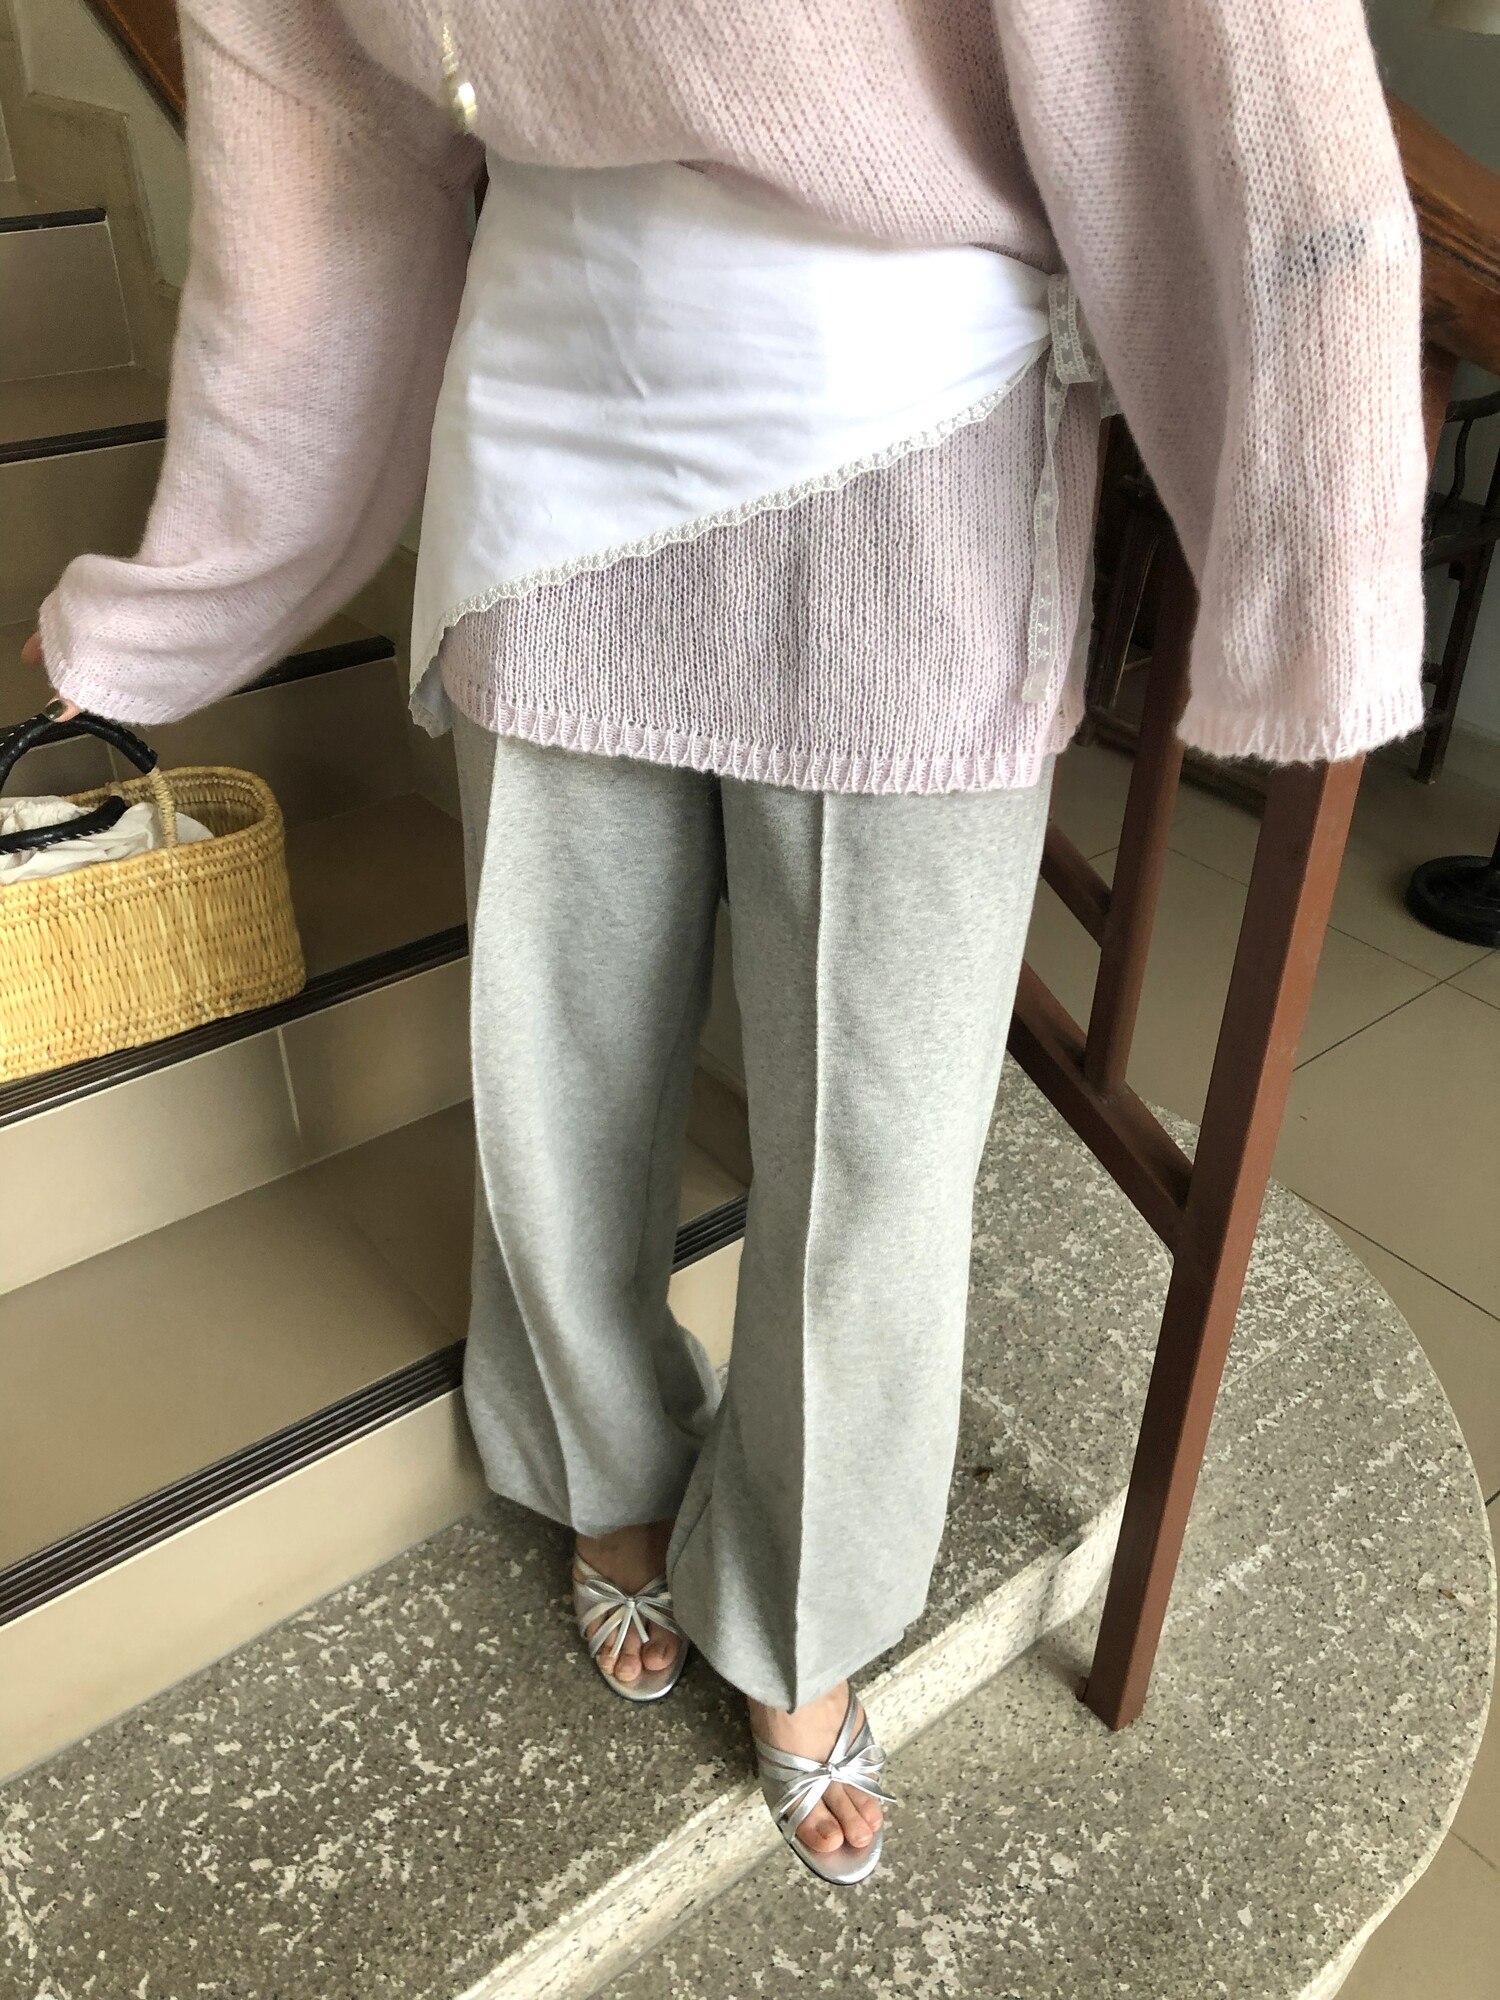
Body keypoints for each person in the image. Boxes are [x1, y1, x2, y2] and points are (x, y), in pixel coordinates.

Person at [25, 0, 1427, 1885]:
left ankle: (800, 1606)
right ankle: (600, 1464)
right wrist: (183, 595)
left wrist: (1319, 559)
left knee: (882, 1148)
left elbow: (1239, 75)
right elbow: (314, 134)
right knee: (561, 1061)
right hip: (551, 418)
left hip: (919, 434)